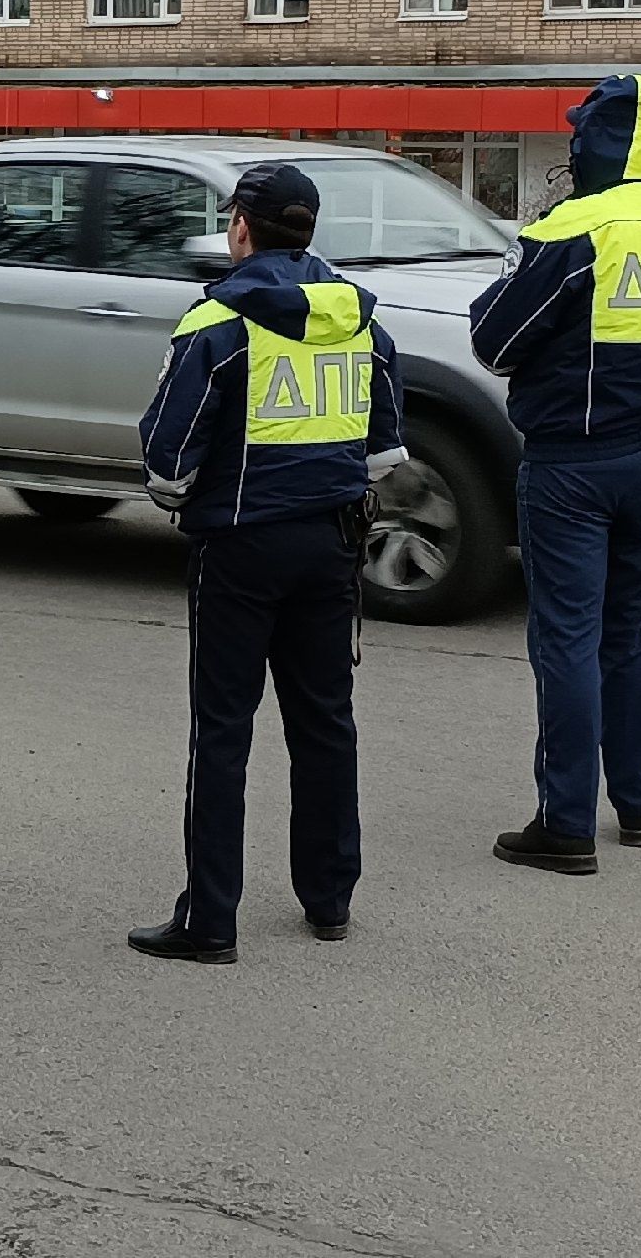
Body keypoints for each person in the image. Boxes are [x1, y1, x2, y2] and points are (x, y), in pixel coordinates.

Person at [129, 162, 406, 964]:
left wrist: (187, 496)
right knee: (325, 723)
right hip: (332, 544)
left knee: (222, 731)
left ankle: (210, 920)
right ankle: (329, 900)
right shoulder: (361, 320)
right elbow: (385, 450)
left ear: (242, 227)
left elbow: (166, 460)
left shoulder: (215, 321)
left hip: (240, 547)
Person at [469, 75, 641, 876]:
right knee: (629, 633)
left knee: (567, 638)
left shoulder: (577, 226)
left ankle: (567, 822)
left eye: (578, 133)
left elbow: (492, 338)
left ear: (597, 140)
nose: (569, 145)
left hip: (574, 462)